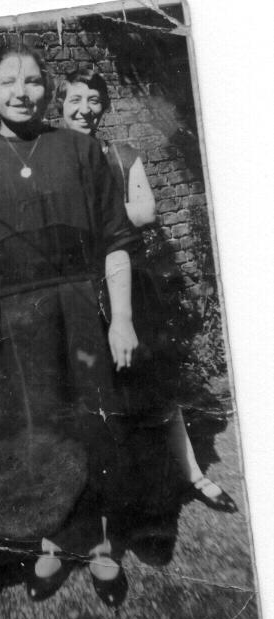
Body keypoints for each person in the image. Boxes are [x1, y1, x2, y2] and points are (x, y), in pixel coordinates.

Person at [0, 47, 141, 596]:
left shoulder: (81, 150)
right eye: (8, 82)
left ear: (47, 89)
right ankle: (53, 545)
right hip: (11, 320)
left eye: (33, 81)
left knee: (92, 426)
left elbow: (117, 241)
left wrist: (121, 318)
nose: (22, 92)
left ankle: (102, 547)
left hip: (81, 309)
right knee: (35, 434)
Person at [58, 68, 237, 513]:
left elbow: (146, 210)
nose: (85, 108)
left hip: (128, 286)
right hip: (75, 292)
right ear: (59, 106)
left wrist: (90, 217)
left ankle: (193, 474)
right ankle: (101, 499)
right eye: (75, 99)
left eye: (94, 99)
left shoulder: (122, 155)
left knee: (152, 385)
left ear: (104, 106)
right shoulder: (48, 158)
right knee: (86, 395)